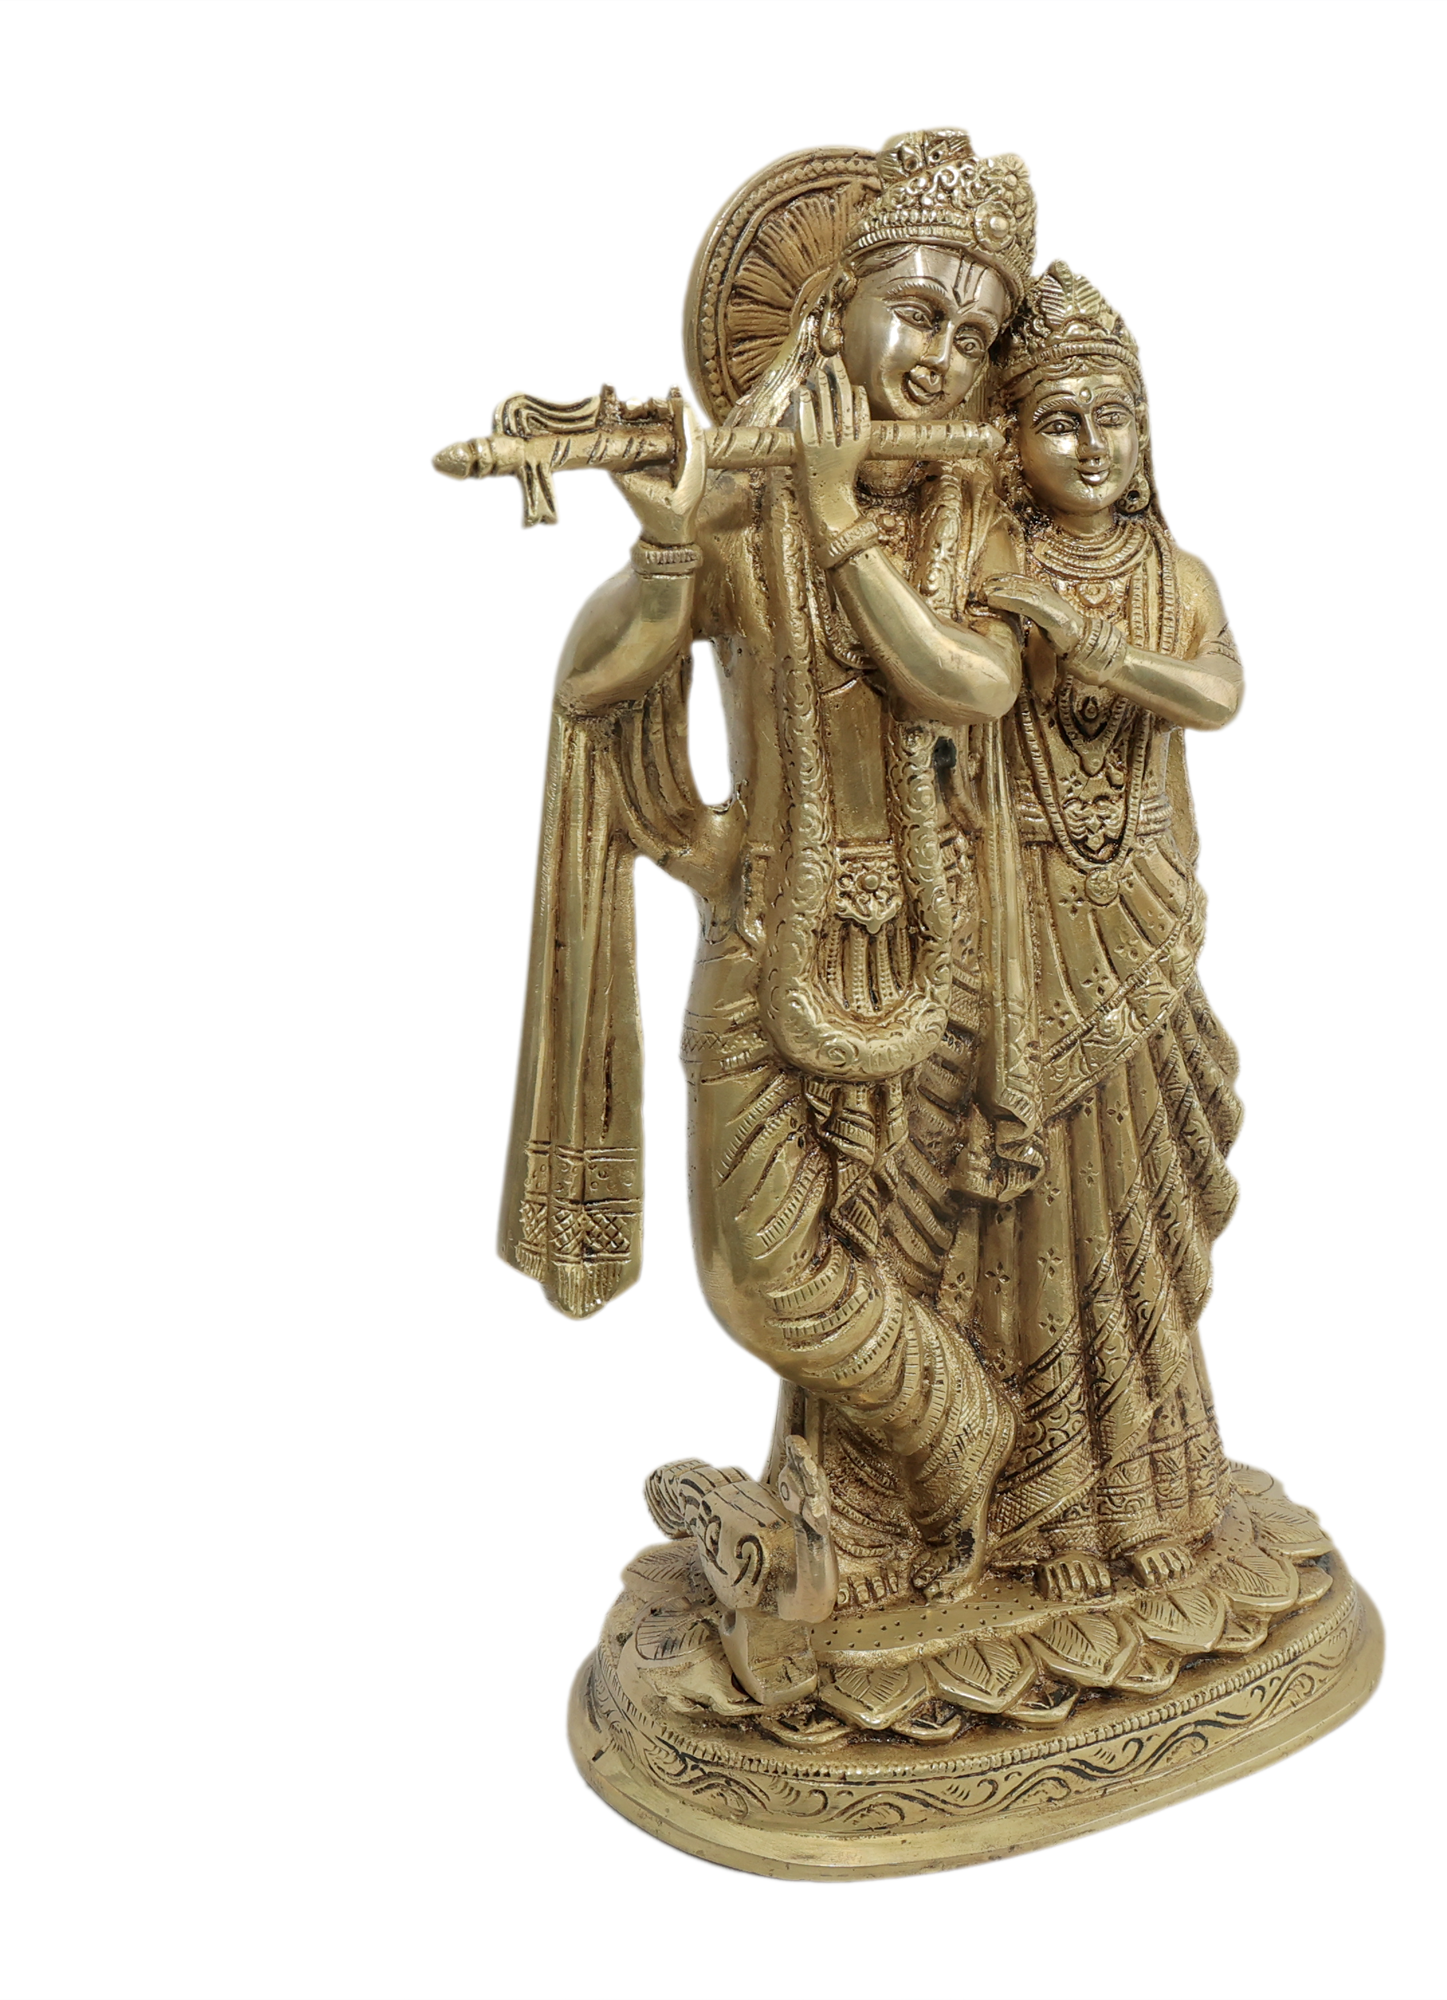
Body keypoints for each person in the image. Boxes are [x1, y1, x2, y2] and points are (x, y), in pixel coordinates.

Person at [507, 133, 1039, 1598]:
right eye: (917, 313)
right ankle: (965, 1433)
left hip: (948, 938)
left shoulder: (974, 506)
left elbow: (974, 685)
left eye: (974, 336)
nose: (941, 357)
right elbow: (594, 679)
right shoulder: (740, 497)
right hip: (764, 926)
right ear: (834, 307)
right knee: (757, 1278)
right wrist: (671, 551)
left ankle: (904, 1522)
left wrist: (841, 514)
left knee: (919, 1251)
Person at [978, 263, 1248, 1600]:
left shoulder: (1173, 576)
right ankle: (1041, 1518)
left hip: (1141, 910)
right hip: (1029, 918)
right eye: (1061, 422)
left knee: (1138, 1196)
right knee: (1043, 1205)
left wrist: (1094, 650)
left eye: (1117, 417)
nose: (1095, 447)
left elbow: (1220, 695)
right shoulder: (987, 568)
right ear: (1012, 444)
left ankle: (1151, 1498)